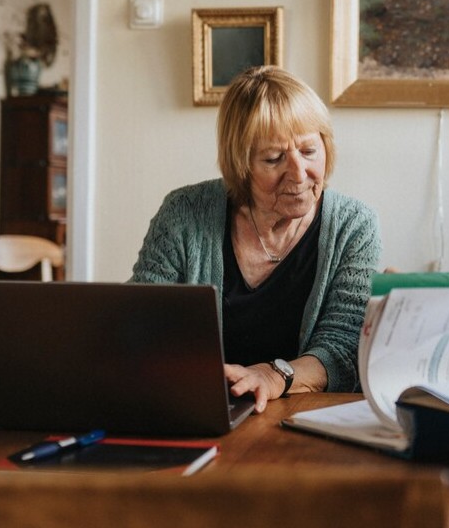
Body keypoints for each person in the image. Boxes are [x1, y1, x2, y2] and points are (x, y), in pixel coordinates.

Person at [131, 66, 381, 412]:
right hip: (201, 408)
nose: (298, 173)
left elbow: (342, 347)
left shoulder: (354, 225)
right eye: (273, 158)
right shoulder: (184, 212)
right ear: (240, 164)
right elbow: (139, 321)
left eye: (309, 151)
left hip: (306, 415)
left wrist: (274, 376)